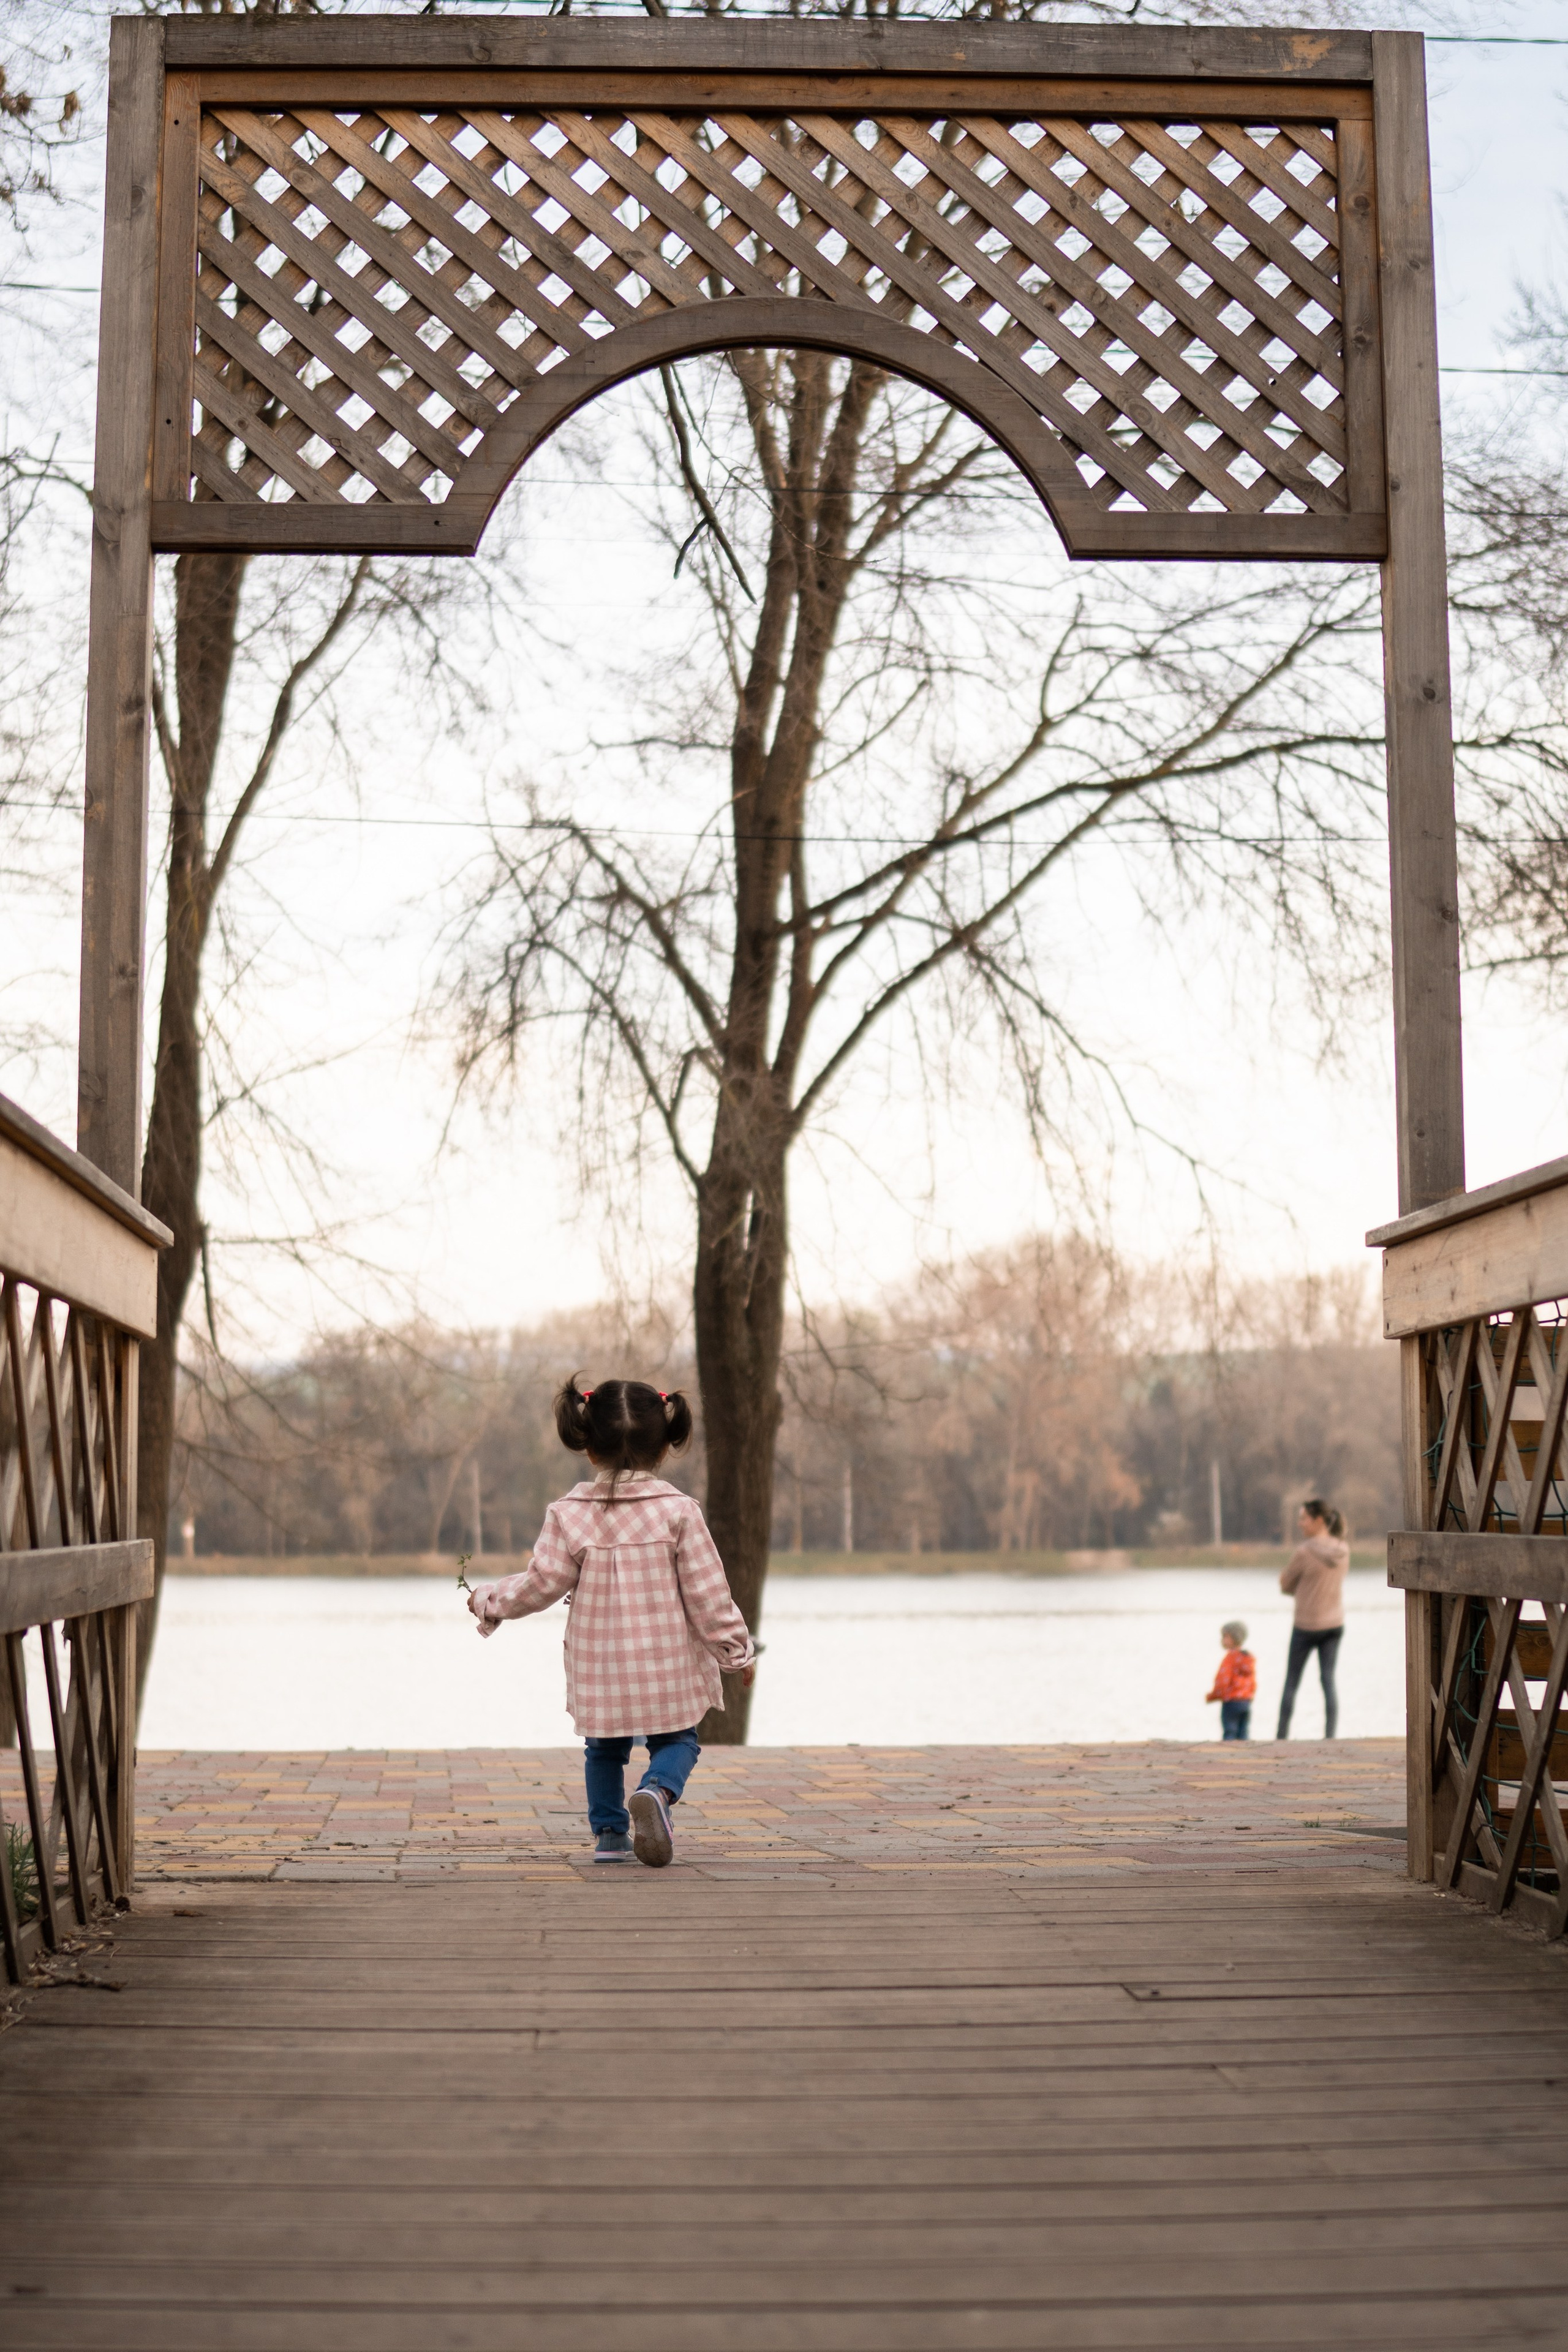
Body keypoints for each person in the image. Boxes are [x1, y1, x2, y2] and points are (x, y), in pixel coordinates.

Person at [467, 1377, 755, 1866]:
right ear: (664, 1447)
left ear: (589, 1447)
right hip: (667, 1664)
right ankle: (657, 1791)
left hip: (600, 1665)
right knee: (679, 1740)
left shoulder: (569, 1515)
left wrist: (490, 1601)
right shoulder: (679, 1512)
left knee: (603, 1749)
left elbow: (542, 1583)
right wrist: (736, 1651)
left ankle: (609, 1837)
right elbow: (708, 1593)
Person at [1276, 1496, 1349, 1740]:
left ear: (1318, 1520)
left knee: (1292, 1682)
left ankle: (1281, 1738)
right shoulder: (1343, 1550)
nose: (1300, 1524)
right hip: (1334, 1624)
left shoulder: (1304, 1552)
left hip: (1306, 1625)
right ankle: (1331, 1736)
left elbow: (1286, 1585)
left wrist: (1294, 1584)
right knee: (1328, 1680)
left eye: (1304, 1519)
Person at [1205, 1619, 1256, 1740]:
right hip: (1246, 1702)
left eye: (1225, 1636)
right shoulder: (1248, 1658)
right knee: (1244, 1733)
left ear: (1234, 1638)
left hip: (1231, 1702)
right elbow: (1253, 1683)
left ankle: (1229, 1750)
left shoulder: (1230, 1659)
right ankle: (1246, 1751)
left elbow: (1223, 1681)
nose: (1222, 1640)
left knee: (1230, 1732)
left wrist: (1213, 1696)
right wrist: (1250, 1696)